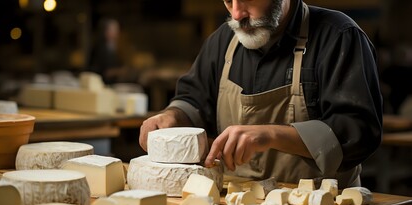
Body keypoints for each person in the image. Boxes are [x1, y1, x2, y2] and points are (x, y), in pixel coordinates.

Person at [139, 0, 383, 188]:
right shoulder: (223, 41)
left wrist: (270, 134)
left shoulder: (339, 37)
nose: (236, 14)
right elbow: (194, 100)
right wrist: (173, 116)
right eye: (228, 1)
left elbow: (359, 132)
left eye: (248, 0)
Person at [86, 18, 127, 85]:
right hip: (101, 83)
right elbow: (95, 69)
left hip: (114, 83)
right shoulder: (98, 48)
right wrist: (114, 72)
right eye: (114, 30)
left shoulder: (116, 46)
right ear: (106, 31)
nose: (117, 32)